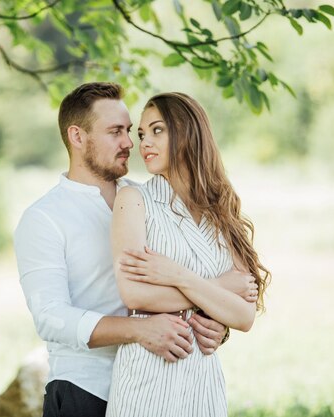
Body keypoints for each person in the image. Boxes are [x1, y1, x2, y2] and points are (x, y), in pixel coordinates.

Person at [14, 83, 257, 417]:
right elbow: (52, 318)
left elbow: (197, 273)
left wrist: (213, 320)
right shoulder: (44, 218)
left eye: (130, 131)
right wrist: (140, 330)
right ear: (77, 136)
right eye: (116, 132)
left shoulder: (149, 200)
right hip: (85, 390)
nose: (130, 143)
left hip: (161, 378)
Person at [106, 92, 271, 417]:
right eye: (141, 134)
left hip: (202, 376)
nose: (144, 143)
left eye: (157, 130)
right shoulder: (134, 199)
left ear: (186, 132)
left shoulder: (222, 210)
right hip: (145, 375)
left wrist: (177, 275)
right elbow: (135, 293)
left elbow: (244, 316)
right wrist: (220, 289)